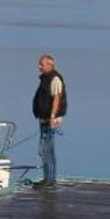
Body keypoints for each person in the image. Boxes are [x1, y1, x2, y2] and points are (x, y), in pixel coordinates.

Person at [31, 53, 67, 189]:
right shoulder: (45, 79)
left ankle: (49, 179)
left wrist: (52, 117)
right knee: (48, 149)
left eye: (42, 64)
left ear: (50, 65)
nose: (39, 66)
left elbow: (56, 98)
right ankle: (49, 178)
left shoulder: (54, 79)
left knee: (45, 149)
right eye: (39, 64)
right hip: (44, 119)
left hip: (49, 120)